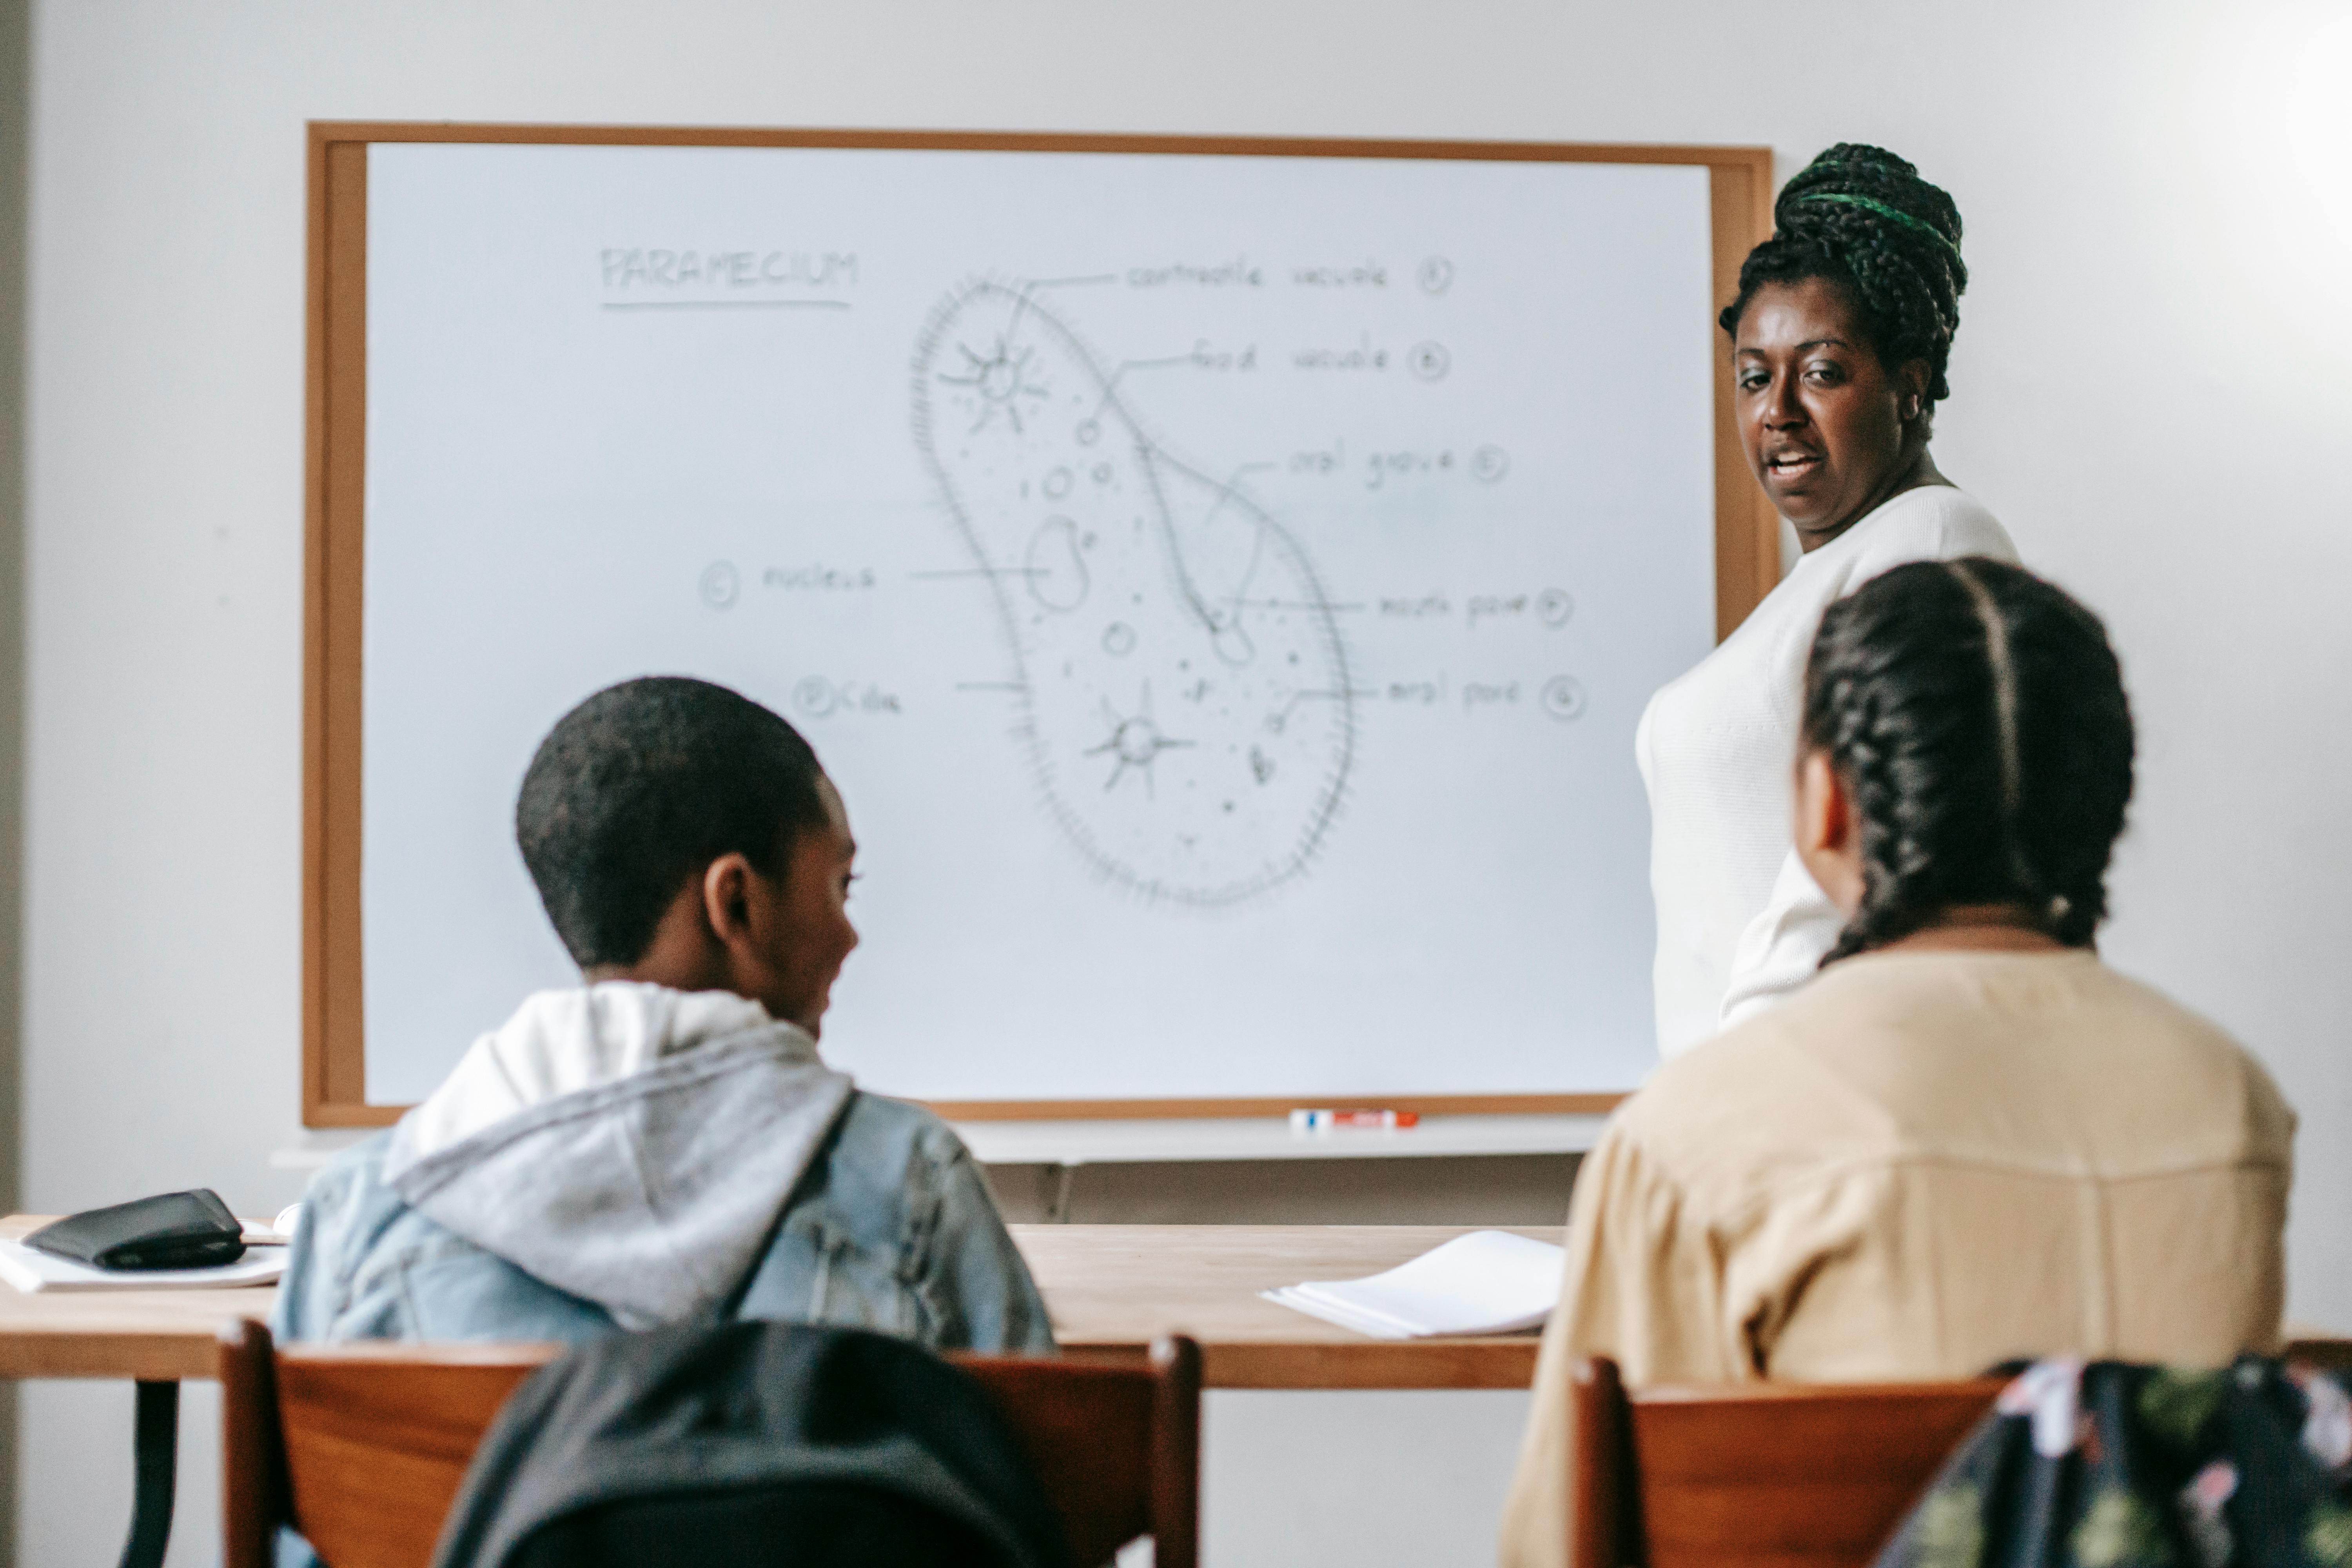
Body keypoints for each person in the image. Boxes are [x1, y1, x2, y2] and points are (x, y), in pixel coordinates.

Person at [1500, 559, 2294, 1568]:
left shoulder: (1689, 1134)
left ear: (1825, 806)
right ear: (2102, 804)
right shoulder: (2231, 1105)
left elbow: (1559, 1540)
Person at [275, 676, 1055, 1352]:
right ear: (736, 901)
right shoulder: (909, 1184)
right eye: (839, 886)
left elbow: (302, 1529)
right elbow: (1031, 1509)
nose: (849, 933)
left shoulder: (363, 1211)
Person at [1642, 143, 2018, 1058]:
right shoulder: (1835, 574)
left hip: (1801, 1105)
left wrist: (1745, 1102)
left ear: (1910, 385)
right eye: (1753, 375)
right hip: (1749, 1110)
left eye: (1820, 371)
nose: (1777, 410)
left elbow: (1866, 864)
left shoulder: (1932, 545)